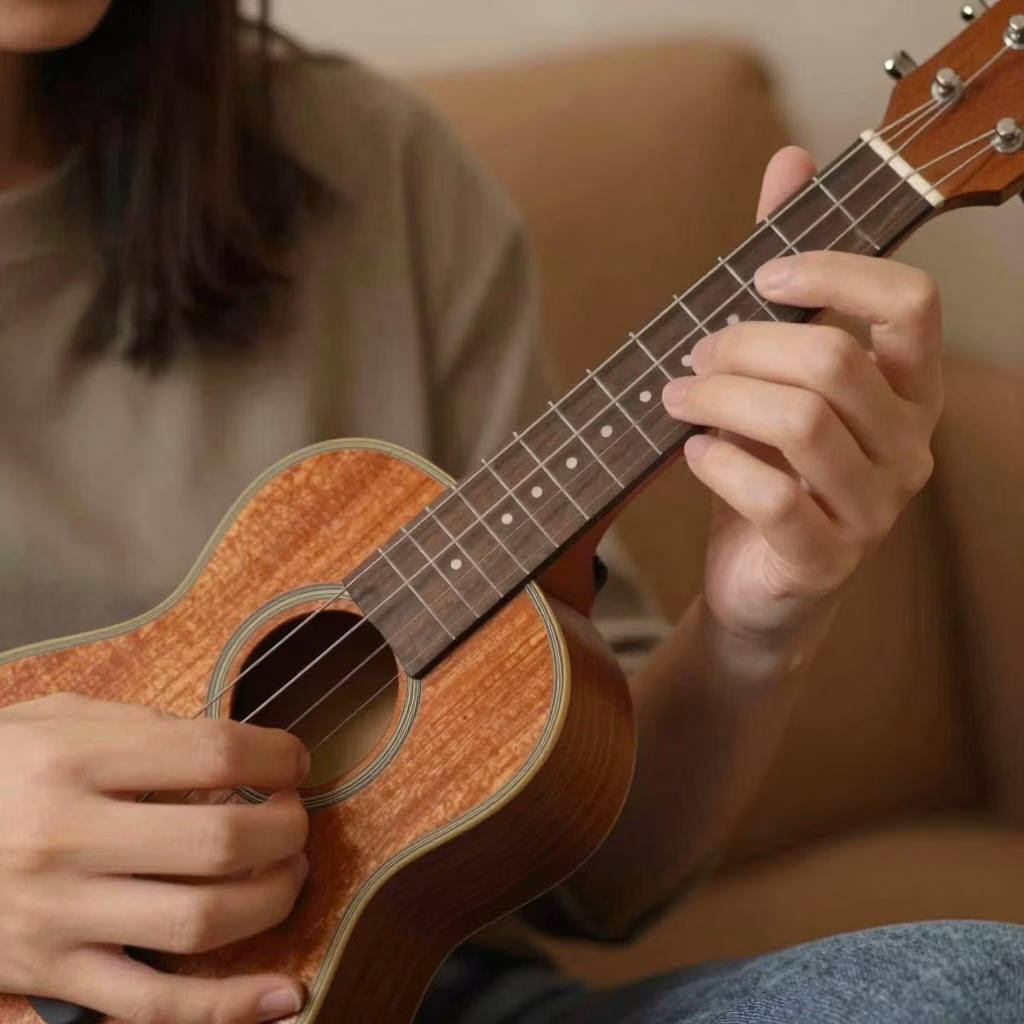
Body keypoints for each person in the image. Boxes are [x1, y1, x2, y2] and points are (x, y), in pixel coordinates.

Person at [0, 2, 1019, 1023]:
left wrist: (756, 626)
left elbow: (595, 876)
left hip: (415, 997)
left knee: (970, 989)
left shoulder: (363, 160)